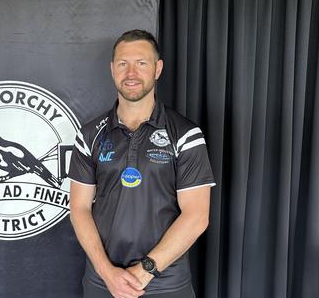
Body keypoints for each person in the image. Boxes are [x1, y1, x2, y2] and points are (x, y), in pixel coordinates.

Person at [69, 29, 215, 298]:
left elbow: (196, 216)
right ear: (113, 69)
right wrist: (107, 273)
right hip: (103, 283)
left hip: (165, 283)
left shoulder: (185, 134)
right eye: (123, 64)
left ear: (157, 69)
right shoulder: (89, 134)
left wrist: (144, 271)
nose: (131, 73)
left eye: (142, 63)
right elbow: (78, 208)